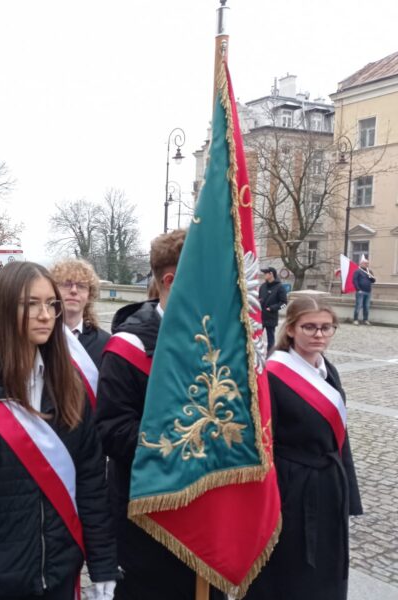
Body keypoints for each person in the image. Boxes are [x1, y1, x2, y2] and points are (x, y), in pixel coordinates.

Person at [0, 261, 118, 599]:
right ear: (2, 309)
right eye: (31, 304)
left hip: (59, 573)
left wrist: (101, 562)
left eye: (51, 304)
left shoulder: (69, 387)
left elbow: (90, 482)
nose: (45, 315)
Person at [95, 230, 223, 600]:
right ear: (170, 280)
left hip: (209, 508)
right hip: (150, 515)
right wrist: (189, 445)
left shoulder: (217, 340)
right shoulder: (128, 347)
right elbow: (112, 430)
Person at [244, 295, 362, 599]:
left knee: (328, 564)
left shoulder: (329, 372)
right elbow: (262, 443)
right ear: (292, 329)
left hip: (329, 483)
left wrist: (349, 495)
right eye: (310, 327)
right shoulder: (272, 375)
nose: (319, 334)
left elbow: (340, 440)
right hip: (290, 487)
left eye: (327, 327)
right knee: (291, 568)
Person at [51, 258, 110, 366]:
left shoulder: (105, 342)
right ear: (53, 290)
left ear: (89, 295)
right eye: (66, 284)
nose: (74, 290)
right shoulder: (41, 336)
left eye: (81, 286)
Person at [259, 266, 289, 352]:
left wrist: (272, 308)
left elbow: (284, 304)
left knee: (270, 339)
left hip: (271, 317)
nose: (264, 274)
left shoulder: (280, 287)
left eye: (265, 273)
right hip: (260, 317)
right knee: (257, 338)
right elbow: (259, 298)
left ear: (271, 274)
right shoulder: (262, 286)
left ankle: (270, 356)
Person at [352, 257, 376, 325]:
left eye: (367, 263)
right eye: (365, 263)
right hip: (360, 291)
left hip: (368, 291)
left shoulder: (369, 271)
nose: (367, 265)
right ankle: (355, 319)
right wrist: (358, 289)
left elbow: (373, 281)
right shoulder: (357, 271)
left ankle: (365, 320)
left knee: (367, 306)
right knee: (358, 306)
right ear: (361, 264)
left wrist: (371, 276)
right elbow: (355, 280)